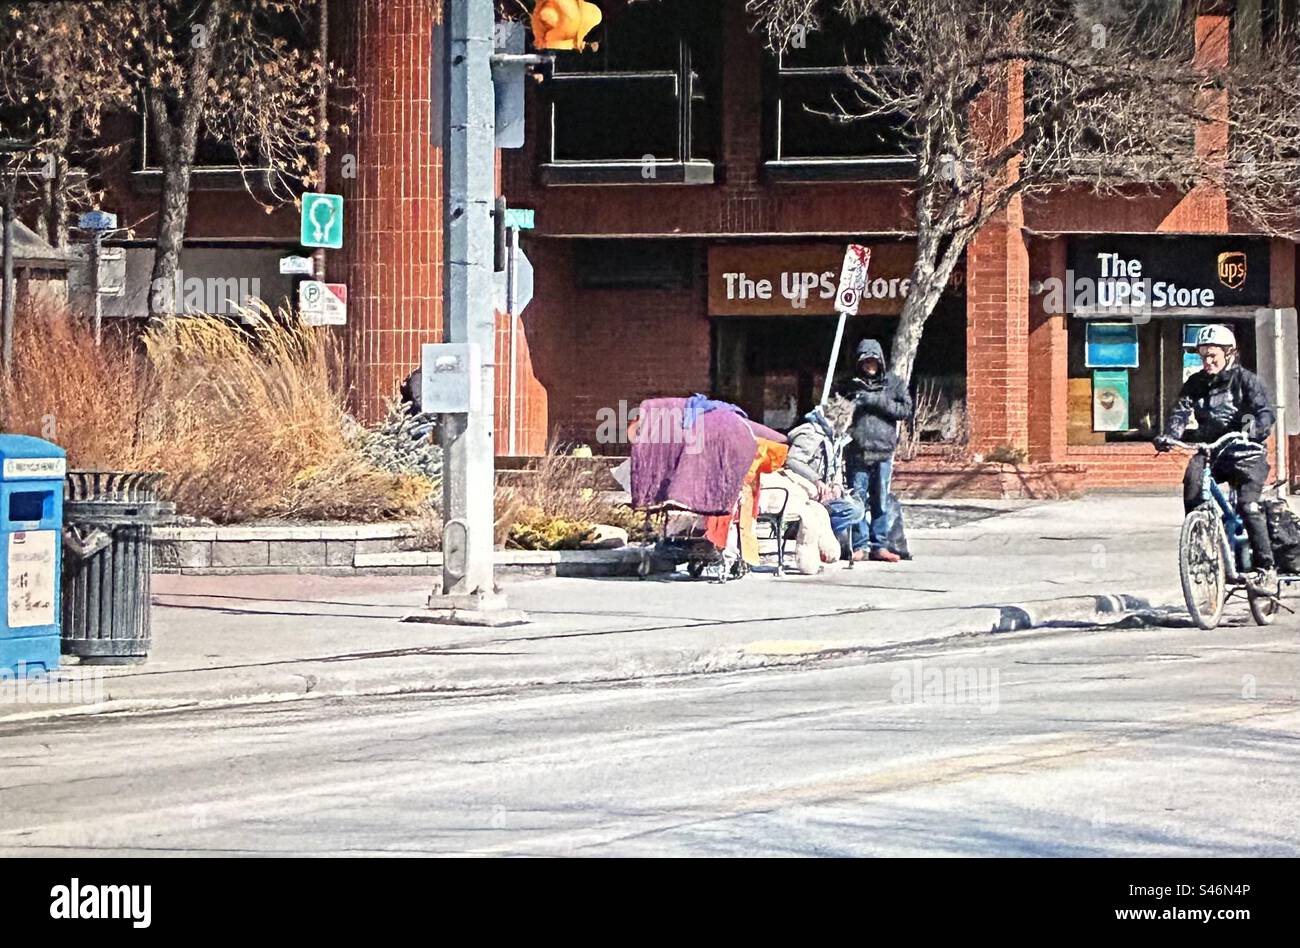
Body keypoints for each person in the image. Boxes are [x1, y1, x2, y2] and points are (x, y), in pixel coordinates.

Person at [1154, 324, 1275, 577]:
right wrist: (1170, 435)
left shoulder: (1246, 380)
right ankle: (1200, 542)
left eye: (1213, 356)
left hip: (1246, 452)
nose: (1207, 362)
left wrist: (1254, 430)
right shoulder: (1196, 382)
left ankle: (1266, 566)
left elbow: (1264, 412)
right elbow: (1181, 410)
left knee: (1248, 506)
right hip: (1212, 450)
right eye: (1203, 356)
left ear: (1229, 354)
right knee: (1193, 482)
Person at [842, 338, 913, 563]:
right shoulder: (849, 385)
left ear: (880, 361)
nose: (869, 366)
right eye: (865, 362)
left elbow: (905, 410)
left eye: (873, 361)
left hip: (883, 451)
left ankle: (879, 545)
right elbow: (837, 410)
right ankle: (860, 545)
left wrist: (877, 401)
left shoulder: (894, 384)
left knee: (880, 500)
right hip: (857, 451)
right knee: (857, 500)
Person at [783, 395, 871, 561]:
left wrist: (837, 485)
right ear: (843, 418)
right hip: (806, 493)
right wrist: (816, 480)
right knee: (852, 510)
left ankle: (824, 541)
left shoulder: (834, 437)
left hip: (825, 492)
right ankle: (806, 533)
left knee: (858, 507)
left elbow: (835, 466)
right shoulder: (811, 433)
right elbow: (793, 460)